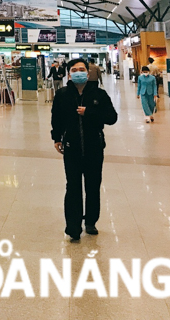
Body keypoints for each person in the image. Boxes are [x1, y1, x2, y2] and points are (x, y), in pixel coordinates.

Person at [51, 58, 118, 241]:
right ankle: (73, 227)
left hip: (94, 148)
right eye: (74, 70)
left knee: (93, 186)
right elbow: (56, 117)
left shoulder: (99, 95)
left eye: (81, 69)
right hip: (71, 148)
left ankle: (90, 221)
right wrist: (56, 137)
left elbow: (112, 117)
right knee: (72, 187)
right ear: (69, 74)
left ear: (88, 74)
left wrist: (89, 112)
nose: (78, 72)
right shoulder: (62, 95)